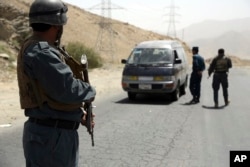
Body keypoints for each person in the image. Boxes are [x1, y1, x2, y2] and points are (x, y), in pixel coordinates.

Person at [16, 0, 96, 166]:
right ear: (56, 26)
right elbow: (68, 89)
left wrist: (78, 115)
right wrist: (90, 90)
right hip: (52, 138)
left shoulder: (38, 48)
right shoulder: (42, 52)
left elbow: (50, 92)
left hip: (50, 134)